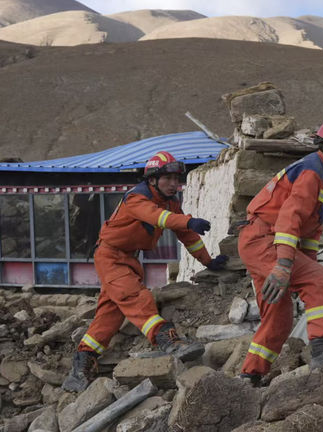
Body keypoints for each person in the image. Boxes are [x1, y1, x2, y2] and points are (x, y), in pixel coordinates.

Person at [62, 151, 228, 392]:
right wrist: (187, 220)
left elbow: (187, 236)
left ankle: (81, 366)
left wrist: (208, 261)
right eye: (167, 178)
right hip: (111, 256)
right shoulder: (137, 199)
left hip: (128, 258)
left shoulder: (170, 203)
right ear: (152, 179)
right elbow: (159, 218)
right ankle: (168, 341)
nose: (174, 184)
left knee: (110, 314)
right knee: (136, 297)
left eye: (176, 179)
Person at [238, 114, 323, 384]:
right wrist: (286, 266)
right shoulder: (313, 171)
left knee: (279, 319)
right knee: (320, 279)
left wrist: (302, 267)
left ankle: (249, 376)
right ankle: (322, 359)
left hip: (263, 240)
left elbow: (309, 231)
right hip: (265, 239)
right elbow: (290, 218)